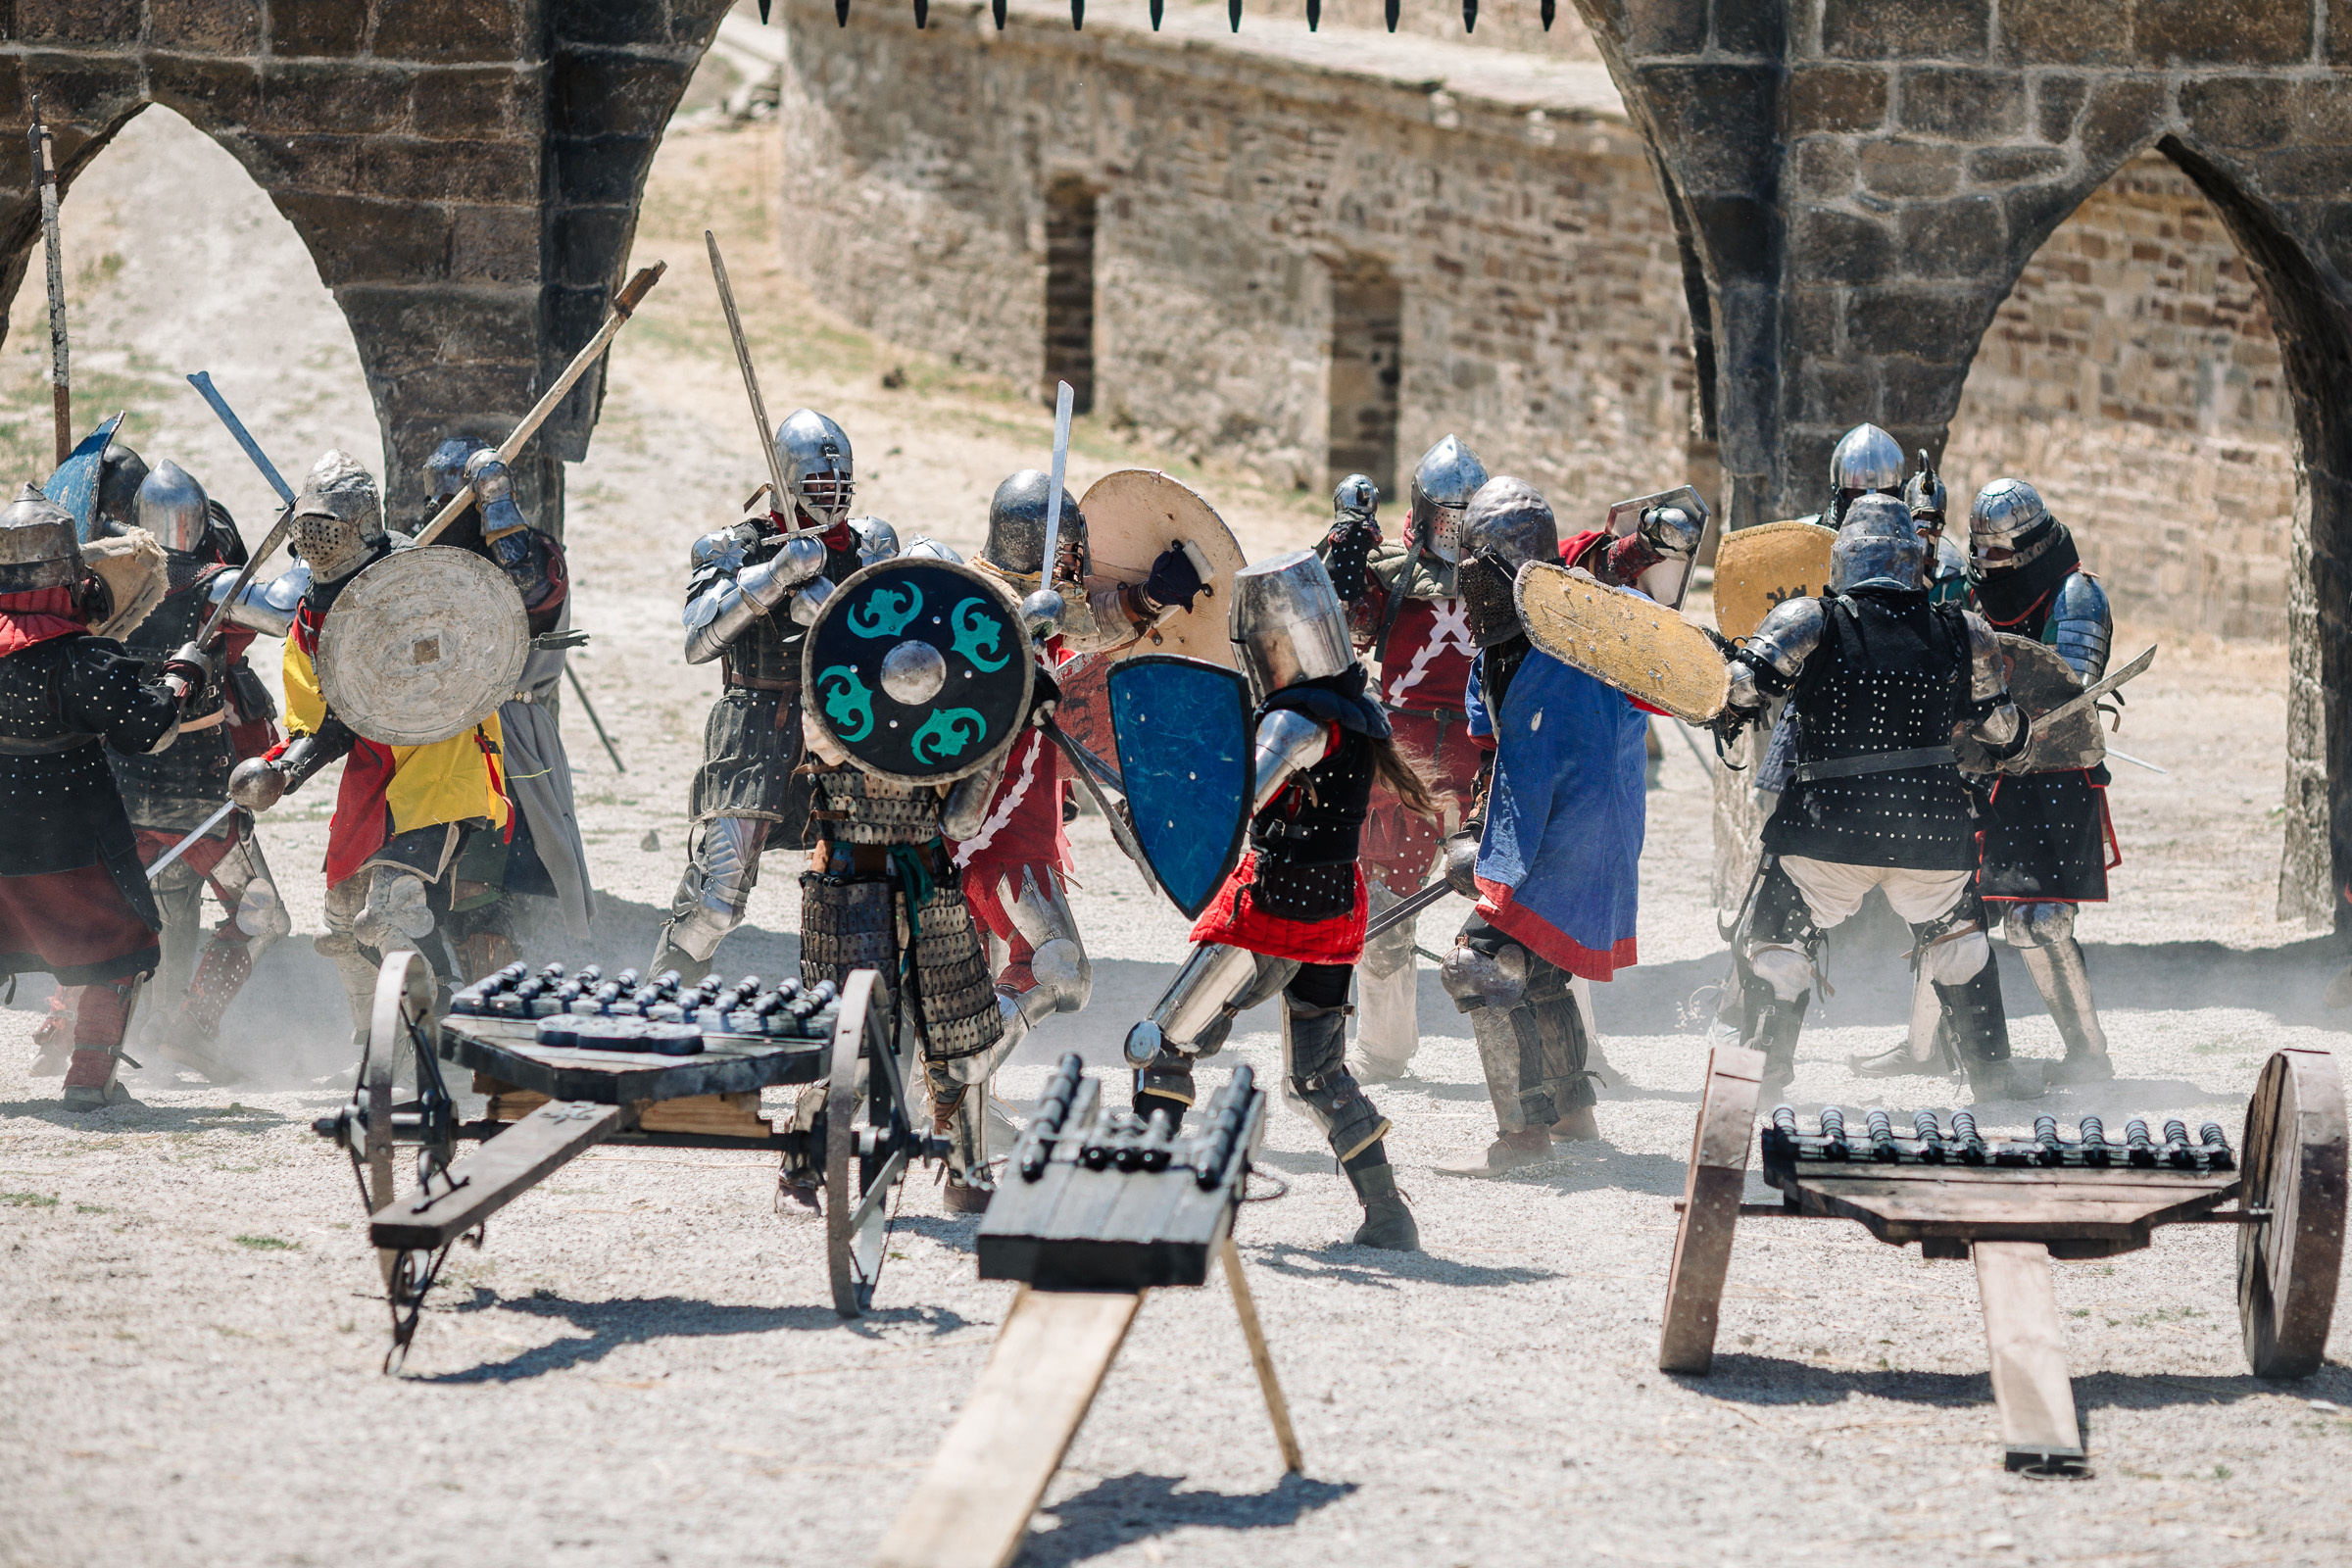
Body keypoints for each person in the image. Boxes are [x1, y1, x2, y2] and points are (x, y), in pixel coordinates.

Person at [1123, 551, 1432, 1250]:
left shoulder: (1294, 723)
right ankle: (1388, 1213)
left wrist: (1160, 804)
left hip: (1267, 910)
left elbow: (1234, 807)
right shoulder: (1357, 707)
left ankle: (1140, 1197)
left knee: (1163, 1041)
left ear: (1273, 645)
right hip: (1333, 912)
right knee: (1318, 1074)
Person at [1720, 494, 2039, 1104]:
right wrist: (2025, 735)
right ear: (1913, 558)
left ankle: (1759, 1082)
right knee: (1962, 947)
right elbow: (2002, 734)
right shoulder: (1962, 628)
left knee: (1776, 949)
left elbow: (1738, 691)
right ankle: (1994, 1081)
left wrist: (1724, 670)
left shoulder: (1808, 619)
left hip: (1828, 832)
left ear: (1842, 558)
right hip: (1930, 835)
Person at [227, 451, 514, 1041]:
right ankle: (377, 1040)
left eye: (326, 526)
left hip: (441, 759)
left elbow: (466, 659)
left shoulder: (419, 584)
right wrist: (286, 771)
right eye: (308, 526)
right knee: (340, 917)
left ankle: (441, 1028)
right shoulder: (310, 615)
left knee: (387, 914)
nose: (315, 539)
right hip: (374, 772)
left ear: (361, 526)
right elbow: (326, 722)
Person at [1434, 479, 1657, 1174]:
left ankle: (1523, 1138)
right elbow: (1497, 754)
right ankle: (1570, 1113)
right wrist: (1474, 830)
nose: (1466, 578)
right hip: (1579, 835)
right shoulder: (1500, 650)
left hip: (1574, 831)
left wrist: (1498, 853)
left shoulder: (1599, 630)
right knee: (1536, 967)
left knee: (1478, 962)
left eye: (1475, 562)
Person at [84, 462, 300, 1081]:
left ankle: (71, 1033)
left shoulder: (110, 583)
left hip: (122, 787)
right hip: (200, 800)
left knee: (109, 910)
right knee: (259, 916)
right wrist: (309, 551)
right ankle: (192, 1029)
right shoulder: (214, 584)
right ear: (202, 522)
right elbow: (285, 614)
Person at [0, 484, 208, 1108]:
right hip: (71, 831)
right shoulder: (82, 657)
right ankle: (89, 1075)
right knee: (123, 942)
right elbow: (146, 730)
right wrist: (181, 677)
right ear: (70, 574)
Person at [649, 409, 868, 979]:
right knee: (716, 903)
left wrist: (831, 609)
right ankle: (663, 1004)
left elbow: (895, 646)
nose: (834, 495)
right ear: (789, 482)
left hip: (844, 726)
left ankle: (851, 1033)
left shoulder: (869, 546)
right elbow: (699, 641)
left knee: (861, 893)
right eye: (820, 484)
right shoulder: (733, 547)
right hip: (753, 726)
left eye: (841, 484)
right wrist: (774, 576)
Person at [1321, 445, 1487, 1087]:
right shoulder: (1386, 574)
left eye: (1465, 515)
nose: (1453, 526)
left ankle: (1567, 1059)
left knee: (1527, 908)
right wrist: (1345, 544)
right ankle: (1386, 1047)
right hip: (1404, 763)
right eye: (1445, 513)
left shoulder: (1503, 572)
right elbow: (1339, 630)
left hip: (1482, 757)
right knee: (1386, 903)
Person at [1961, 477, 2117, 1085]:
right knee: (1952, 911)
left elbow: (2067, 686)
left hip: (2054, 773)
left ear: (2028, 545)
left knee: (2040, 919)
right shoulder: (1973, 593)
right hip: (1984, 769)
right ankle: (1950, 1051)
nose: (1987, 562)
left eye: (1998, 550)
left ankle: (2089, 1056)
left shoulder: (2075, 595)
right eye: (1981, 549)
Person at [416, 438, 594, 970]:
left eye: (453, 506)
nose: (440, 518)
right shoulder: (418, 560)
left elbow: (530, 592)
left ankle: (496, 1007)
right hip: (424, 741)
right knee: (408, 887)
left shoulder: (535, 555)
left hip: (503, 739)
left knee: (481, 885)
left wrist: (496, 506)